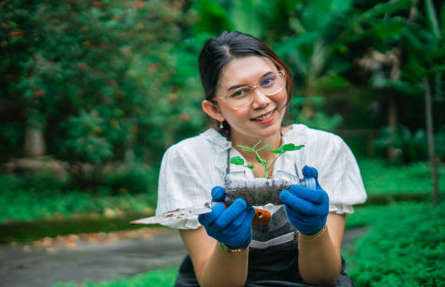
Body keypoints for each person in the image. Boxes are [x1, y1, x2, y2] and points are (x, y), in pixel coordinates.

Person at [156, 31, 367, 287]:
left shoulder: (324, 149)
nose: (262, 101)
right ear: (214, 109)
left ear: (284, 78)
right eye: (239, 93)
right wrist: (231, 244)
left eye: (268, 81)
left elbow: (322, 278)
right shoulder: (188, 158)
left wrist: (313, 231)